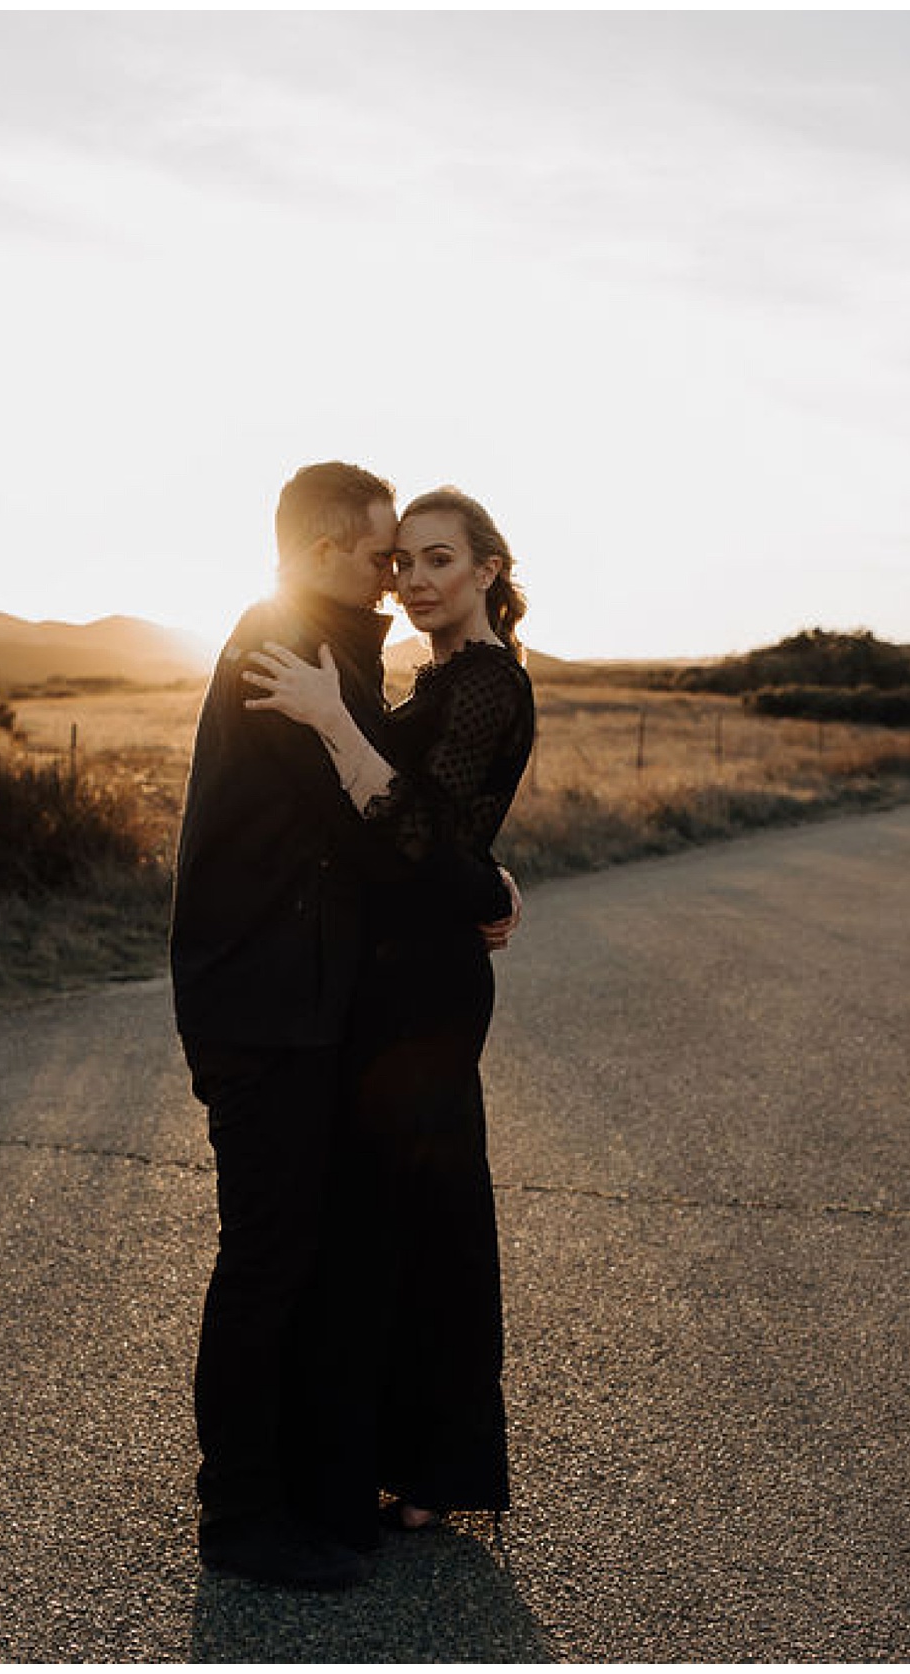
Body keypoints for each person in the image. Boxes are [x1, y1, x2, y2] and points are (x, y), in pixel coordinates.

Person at [171, 463, 516, 1590]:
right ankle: (240, 1520)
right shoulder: (290, 647)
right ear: (326, 553)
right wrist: (482, 888)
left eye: (419, 561)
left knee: (323, 1249)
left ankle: (314, 1483)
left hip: (308, 1000)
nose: (394, 582)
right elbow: (381, 828)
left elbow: (396, 824)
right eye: (383, 558)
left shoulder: (343, 644)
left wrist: (476, 875)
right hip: (264, 1004)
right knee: (271, 1256)